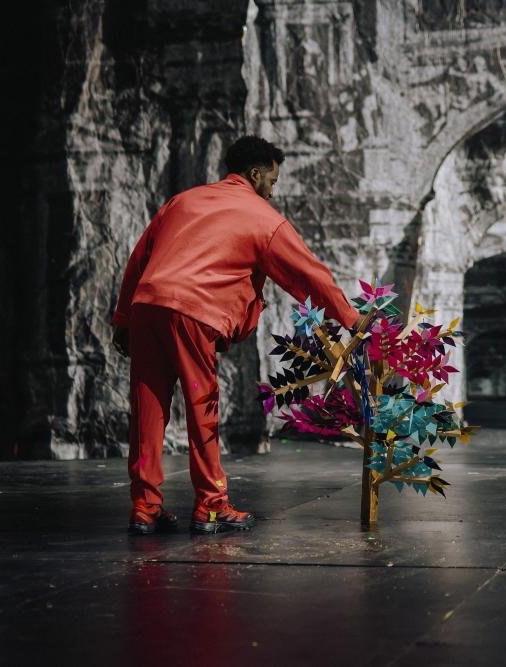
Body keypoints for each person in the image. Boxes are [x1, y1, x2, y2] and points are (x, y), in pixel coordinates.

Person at [111, 136, 360, 535]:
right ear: (255, 174)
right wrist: (352, 320)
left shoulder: (183, 201)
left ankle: (144, 508)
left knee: (148, 412)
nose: (272, 191)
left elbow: (138, 258)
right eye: (272, 182)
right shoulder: (262, 218)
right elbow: (309, 275)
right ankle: (211, 506)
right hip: (190, 313)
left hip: (148, 306)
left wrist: (124, 318)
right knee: (201, 406)